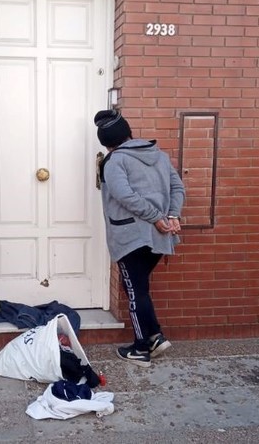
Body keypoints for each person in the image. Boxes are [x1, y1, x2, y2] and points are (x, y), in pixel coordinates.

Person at [94, 109, 185, 368]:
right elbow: (177, 187)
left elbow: (124, 196)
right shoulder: (159, 155)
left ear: (106, 142)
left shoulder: (114, 161)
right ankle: (155, 337)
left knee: (135, 291)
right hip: (159, 236)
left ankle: (140, 349)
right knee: (138, 287)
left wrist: (157, 216)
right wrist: (172, 214)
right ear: (128, 133)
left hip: (131, 234)